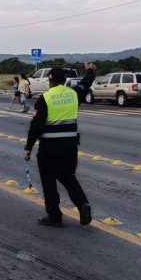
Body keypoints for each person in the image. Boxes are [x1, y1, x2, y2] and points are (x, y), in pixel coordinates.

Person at [23, 63, 96, 227]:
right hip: (70, 147)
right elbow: (86, 83)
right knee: (68, 177)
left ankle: (55, 216)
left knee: (48, 182)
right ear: (64, 80)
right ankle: (82, 204)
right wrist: (90, 70)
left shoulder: (46, 98)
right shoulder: (74, 94)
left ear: (50, 81)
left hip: (49, 148)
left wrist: (28, 147)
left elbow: (36, 126)